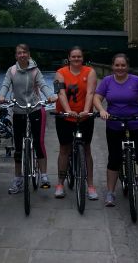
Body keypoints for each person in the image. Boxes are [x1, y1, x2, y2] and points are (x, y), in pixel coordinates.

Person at [93, 53, 138, 209]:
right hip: (114, 123)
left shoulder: (136, 81)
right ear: (112, 66)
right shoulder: (107, 81)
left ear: (127, 66)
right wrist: (102, 110)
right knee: (114, 158)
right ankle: (110, 193)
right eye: (117, 65)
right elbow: (97, 97)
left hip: (135, 122)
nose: (120, 68)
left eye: (123, 65)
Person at [0, 43, 57, 193]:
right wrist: (1, 96)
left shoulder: (35, 70)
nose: (22, 55)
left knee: (38, 142)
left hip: (35, 109)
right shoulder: (11, 71)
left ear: (29, 55)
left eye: (24, 52)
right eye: (19, 53)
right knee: (18, 147)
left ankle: (44, 175)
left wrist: (50, 96)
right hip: (19, 110)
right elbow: (5, 85)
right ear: (16, 56)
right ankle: (18, 178)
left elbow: (43, 85)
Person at [53, 46, 98, 200]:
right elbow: (60, 93)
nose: (76, 59)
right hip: (65, 116)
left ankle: (90, 185)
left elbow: (90, 92)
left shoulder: (90, 72)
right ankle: (60, 184)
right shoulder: (60, 73)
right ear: (69, 58)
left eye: (79, 56)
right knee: (64, 149)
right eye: (74, 56)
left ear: (82, 58)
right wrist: (67, 110)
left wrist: (86, 110)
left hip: (84, 117)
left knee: (86, 149)